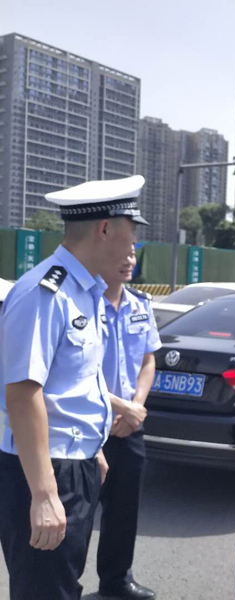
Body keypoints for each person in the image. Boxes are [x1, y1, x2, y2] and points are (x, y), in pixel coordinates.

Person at [0, 175, 147, 600]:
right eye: (131, 229)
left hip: (75, 462)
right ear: (105, 228)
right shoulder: (46, 292)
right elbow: (23, 393)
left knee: (62, 584)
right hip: (44, 470)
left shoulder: (86, 290)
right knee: (45, 590)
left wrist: (92, 446)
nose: (134, 241)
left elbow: (74, 382)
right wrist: (45, 493)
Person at [96, 248, 160, 599]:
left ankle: (116, 580)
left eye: (133, 254)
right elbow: (77, 372)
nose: (129, 261)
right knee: (77, 515)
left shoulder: (140, 304)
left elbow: (148, 361)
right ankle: (65, 586)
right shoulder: (84, 303)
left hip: (130, 424)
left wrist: (136, 407)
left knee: (124, 509)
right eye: (121, 253)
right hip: (90, 423)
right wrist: (122, 407)